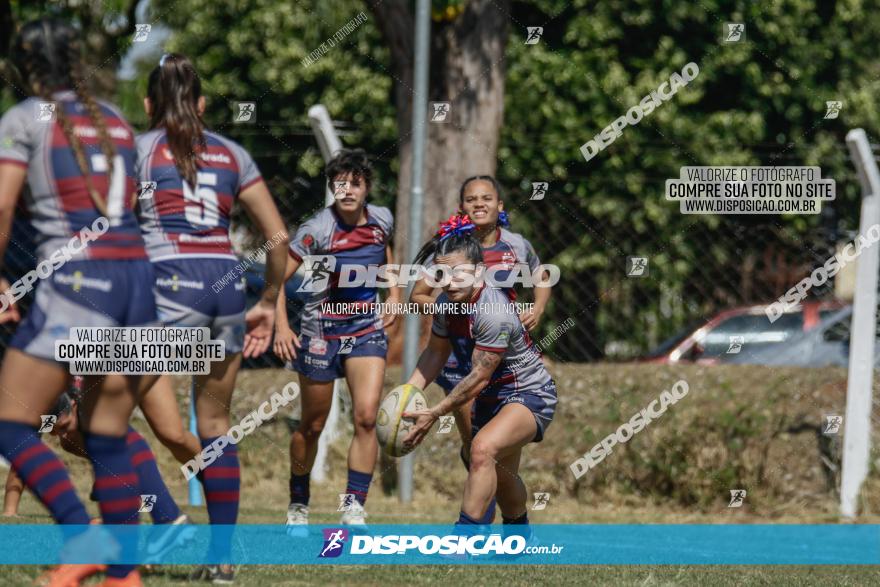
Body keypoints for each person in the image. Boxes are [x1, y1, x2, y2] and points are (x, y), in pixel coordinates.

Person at [0, 18, 170, 586]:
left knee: (9, 422)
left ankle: (81, 532)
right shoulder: (116, 121)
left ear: (26, 68)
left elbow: (2, 206)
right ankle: (123, 573)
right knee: (105, 432)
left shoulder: (25, 118)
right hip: (136, 284)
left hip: (79, 281)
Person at [135, 53, 288, 583]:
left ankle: (160, 523)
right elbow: (280, 239)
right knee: (216, 426)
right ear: (201, 105)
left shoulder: (139, 151)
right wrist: (268, 299)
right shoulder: (231, 153)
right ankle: (221, 559)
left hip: (167, 281)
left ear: (148, 103)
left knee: (99, 414)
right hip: (224, 285)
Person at [401, 218, 557, 533]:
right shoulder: (446, 304)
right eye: (442, 274)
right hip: (491, 397)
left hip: (529, 393)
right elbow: (435, 353)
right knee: (502, 478)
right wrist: (406, 392)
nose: (451, 282)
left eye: (459, 272)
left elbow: (479, 377)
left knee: (482, 449)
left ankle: (464, 538)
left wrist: (433, 413)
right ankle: (518, 536)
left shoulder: (493, 312)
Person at [273, 149, 398, 530]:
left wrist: (393, 292)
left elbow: (386, 256)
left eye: (355, 183)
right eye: (339, 184)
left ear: (366, 187)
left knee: (365, 418)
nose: (347, 190)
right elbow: (277, 275)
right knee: (312, 426)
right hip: (319, 335)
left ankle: (353, 508)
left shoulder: (382, 219)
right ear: (331, 189)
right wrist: (281, 325)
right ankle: (298, 502)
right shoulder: (317, 229)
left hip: (365, 331)